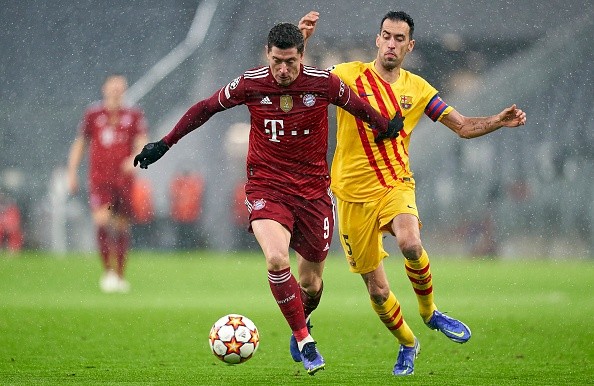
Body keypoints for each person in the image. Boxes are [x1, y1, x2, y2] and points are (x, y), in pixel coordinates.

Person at [133, 22, 402, 375]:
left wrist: (385, 124)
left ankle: (302, 318)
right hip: (266, 187)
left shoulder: (324, 84)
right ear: (267, 54)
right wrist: (164, 143)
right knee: (277, 259)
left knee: (311, 283)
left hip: (313, 193)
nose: (283, 70)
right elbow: (205, 107)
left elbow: (357, 106)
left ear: (301, 55)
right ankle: (305, 339)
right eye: (277, 61)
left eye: (290, 61)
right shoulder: (251, 83)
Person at [299, 11, 527, 376]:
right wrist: (303, 39)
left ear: (410, 45)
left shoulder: (419, 89)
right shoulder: (347, 75)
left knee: (410, 243)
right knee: (376, 290)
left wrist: (497, 122)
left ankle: (430, 312)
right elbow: (299, 76)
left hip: (395, 185)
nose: (391, 43)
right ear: (377, 39)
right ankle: (408, 343)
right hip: (351, 197)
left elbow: (464, 126)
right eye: (386, 36)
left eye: (399, 38)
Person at [67, 74, 149, 293]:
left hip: (123, 180)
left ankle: (121, 274)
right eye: (112, 86)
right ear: (104, 88)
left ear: (125, 89)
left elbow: (142, 141)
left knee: (121, 225)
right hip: (100, 179)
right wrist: (72, 171)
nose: (116, 90)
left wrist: (135, 158)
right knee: (102, 219)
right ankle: (108, 273)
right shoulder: (93, 114)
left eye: (120, 87)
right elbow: (80, 143)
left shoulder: (134, 114)